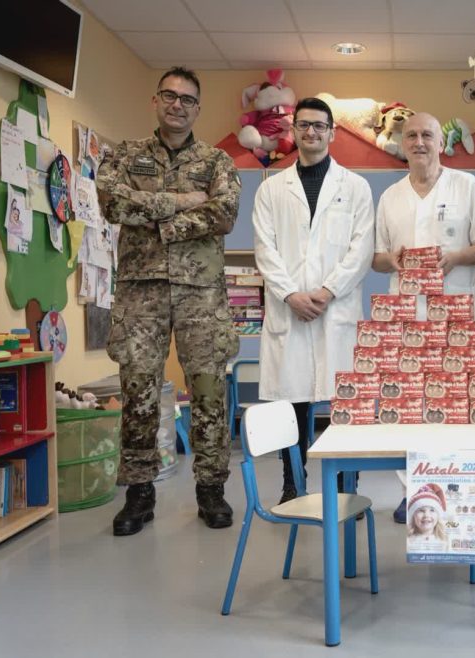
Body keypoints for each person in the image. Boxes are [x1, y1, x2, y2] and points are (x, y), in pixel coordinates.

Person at [97, 67, 242, 536]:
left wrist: (159, 220)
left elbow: (224, 212)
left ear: (198, 108)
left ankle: (211, 488)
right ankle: (139, 493)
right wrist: (180, 202)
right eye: (169, 95)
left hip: (201, 292)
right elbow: (112, 203)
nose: (177, 105)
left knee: (208, 391)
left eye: (187, 99)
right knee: (138, 389)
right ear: (155, 101)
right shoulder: (125, 155)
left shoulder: (217, 161)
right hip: (140, 290)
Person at [252, 97, 375, 503]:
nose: (311, 132)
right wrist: (290, 294)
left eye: (319, 126)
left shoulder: (355, 187)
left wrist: (326, 291)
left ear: (331, 133)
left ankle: (345, 484)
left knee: (344, 402)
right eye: (304, 125)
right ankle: (292, 481)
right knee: (293, 402)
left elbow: (361, 249)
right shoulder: (271, 189)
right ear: (293, 131)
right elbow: (265, 248)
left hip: (335, 309)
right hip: (290, 309)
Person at [373, 113, 475, 522]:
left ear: (441, 143)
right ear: (402, 144)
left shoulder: (466, 186)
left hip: (456, 316)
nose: (419, 142)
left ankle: (455, 490)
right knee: (409, 407)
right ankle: (414, 492)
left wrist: (455, 256)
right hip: (405, 319)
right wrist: (392, 260)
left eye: (427, 135)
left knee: (455, 404)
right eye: (411, 135)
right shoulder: (390, 197)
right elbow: (376, 257)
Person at [406, 483, 449, 547]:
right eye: (421, 510)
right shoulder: (408, 541)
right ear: (413, 516)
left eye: (432, 510)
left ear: (438, 516)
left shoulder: (445, 541)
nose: (426, 515)